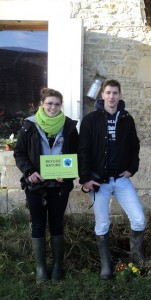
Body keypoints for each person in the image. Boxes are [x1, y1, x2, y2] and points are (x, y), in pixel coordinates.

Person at [78, 79, 146, 280]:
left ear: (120, 95)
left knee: (139, 219)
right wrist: (85, 178)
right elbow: (83, 151)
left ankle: (137, 261)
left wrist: (131, 169)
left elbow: (135, 146)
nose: (111, 96)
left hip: (121, 180)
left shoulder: (127, 119)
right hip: (98, 183)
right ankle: (106, 267)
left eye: (115, 92)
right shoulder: (90, 120)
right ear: (102, 95)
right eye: (108, 92)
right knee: (102, 223)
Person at [13, 88, 79, 283]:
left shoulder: (69, 127)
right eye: (49, 103)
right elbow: (19, 153)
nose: (53, 107)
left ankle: (58, 266)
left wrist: (67, 176)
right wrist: (29, 172)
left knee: (57, 223)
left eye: (57, 104)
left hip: (59, 187)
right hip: (36, 186)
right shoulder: (29, 126)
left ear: (61, 106)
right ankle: (41, 268)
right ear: (42, 104)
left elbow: (77, 154)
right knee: (38, 224)